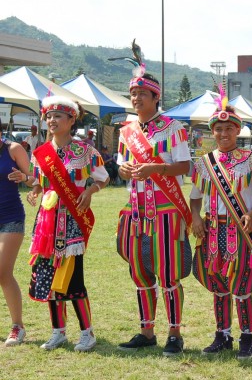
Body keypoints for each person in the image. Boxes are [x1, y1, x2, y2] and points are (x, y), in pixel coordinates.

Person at [116, 63, 192, 356]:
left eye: (142, 93)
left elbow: (185, 166)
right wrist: (123, 170)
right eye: (133, 94)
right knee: (140, 272)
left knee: (169, 273)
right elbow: (124, 166)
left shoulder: (174, 128)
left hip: (166, 210)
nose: (136, 98)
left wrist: (155, 167)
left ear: (155, 97)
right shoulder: (127, 132)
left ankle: (174, 333)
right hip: (135, 211)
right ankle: (147, 330)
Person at [190, 92, 252, 359]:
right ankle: (222, 335)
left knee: (242, 286)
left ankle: (246, 338)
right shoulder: (204, 163)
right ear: (212, 132)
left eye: (229, 128)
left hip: (242, 230)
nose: (223, 133)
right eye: (218, 129)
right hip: (212, 229)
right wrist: (194, 218)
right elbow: (194, 198)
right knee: (218, 284)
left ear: (238, 130)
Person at [25, 96, 109, 351]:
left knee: (73, 280)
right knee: (49, 278)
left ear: (72, 120)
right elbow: (41, 179)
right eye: (49, 116)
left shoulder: (85, 151)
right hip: (46, 224)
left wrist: (90, 190)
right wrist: (36, 188)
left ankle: (87, 333)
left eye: (58, 116)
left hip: (72, 222)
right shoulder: (42, 153)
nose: (52, 120)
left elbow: (103, 178)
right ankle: (58, 331)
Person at [0, 121, 34, 346]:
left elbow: (34, 178)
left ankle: (17, 327)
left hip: (10, 217)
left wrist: (24, 178)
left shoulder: (13, 149)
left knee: (2, 272)